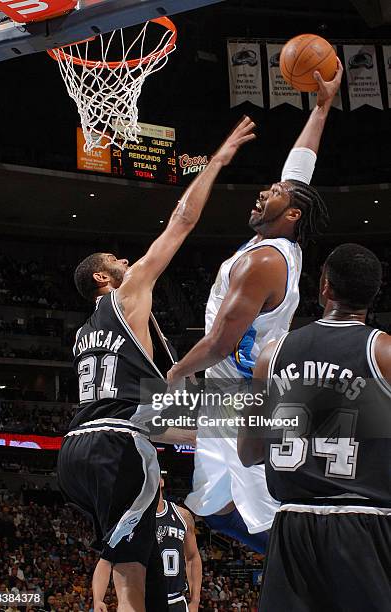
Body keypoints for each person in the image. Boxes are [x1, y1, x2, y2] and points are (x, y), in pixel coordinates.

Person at [56, 116, 256, 612]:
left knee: (131, 564)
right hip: (117, 443)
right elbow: (181, 223)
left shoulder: (84, 334)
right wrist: (216, 162)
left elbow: (152, 405)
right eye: (116, 261)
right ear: (105, 277)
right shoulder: (126, 296)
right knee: (132, 589)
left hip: (77, 450)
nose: (127, 261)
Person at [167, 62, 343, 552]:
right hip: (228, 394)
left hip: (243, 397)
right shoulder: (280, 241)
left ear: (290, 215)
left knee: (261, 511)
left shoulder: (264, 260)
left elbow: (223, 340)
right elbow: (299, 169)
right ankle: (294, 571)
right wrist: (323, 106)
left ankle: (314, 577)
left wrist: (177, 373)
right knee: (210, 504)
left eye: (276, 193)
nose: (265, 190)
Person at [238, 243, 391, 612]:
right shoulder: (384, 352)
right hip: (365, 525)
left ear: (324, 286)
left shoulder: (271, 355)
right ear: (374, 294)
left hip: (293, 526)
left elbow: (248, 452)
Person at [156, 476, 202, 612]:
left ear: (161, 481)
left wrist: (195, 601)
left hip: (177, 601)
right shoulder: (134, 518)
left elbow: (193, 558)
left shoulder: (183, 515)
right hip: (145, 599)